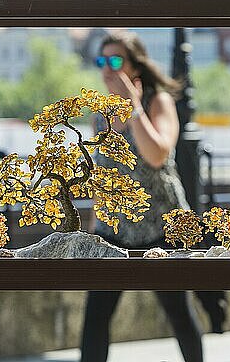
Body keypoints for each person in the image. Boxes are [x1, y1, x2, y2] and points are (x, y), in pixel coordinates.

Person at [80, 32, 203, 362]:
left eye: (116, 61)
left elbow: (157, 155)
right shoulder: (100, 117)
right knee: (95, 319)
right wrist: (94, 231)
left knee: (178, 312)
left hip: (161, 229)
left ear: (135, 67)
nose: (107, 69)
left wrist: (134, 108)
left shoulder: (157, 102)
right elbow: (100, 177)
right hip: (113, 232)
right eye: (101, 61)